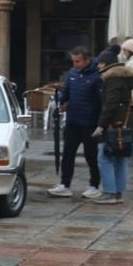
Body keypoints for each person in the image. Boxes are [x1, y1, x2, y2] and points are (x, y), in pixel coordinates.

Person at [50, 45, 104, 200]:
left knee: (91, 155)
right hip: (73, 122)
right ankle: (65, 184)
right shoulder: (72, 74)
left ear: (87, 60)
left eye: (78, 61)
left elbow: (101, 102)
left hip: (90, 123)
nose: (75, 64)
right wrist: (61, 103)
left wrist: (101, 123)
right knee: (68, 154)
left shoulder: (97, 76)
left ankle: (94, 185)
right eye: (73, 61)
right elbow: (66, 93)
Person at [96, 47, 133, 205]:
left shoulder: (112, 79)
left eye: (100, 64)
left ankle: (109, 192)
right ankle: (118, 192)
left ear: (105, 64)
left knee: (104, 158)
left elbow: (110, 105)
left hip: (114, 124)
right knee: (120, 158)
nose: (98, 66)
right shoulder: (126, 79)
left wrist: (101, 125)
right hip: (126, 124)